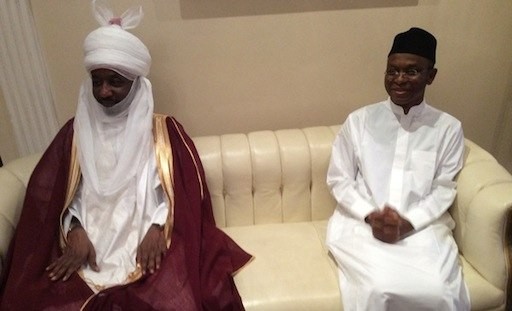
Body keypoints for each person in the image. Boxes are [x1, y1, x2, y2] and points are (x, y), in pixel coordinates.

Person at [0, 1, 251, 310]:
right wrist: (74, 230)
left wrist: (159, 229)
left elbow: (183, 198)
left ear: (135, 82)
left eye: (115, 81)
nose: (104, 91)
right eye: (97, 81)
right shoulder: (74, 134)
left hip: (148, 244)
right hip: (86, 249)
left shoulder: (164, 132)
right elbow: (57, 194)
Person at [325, 27, 470, 310]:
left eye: (411, 71)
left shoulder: (448, 128)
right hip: (362, 226)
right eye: (392, 71)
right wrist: (370, 216)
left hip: (421, 229)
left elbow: (444, 188)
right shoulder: (360, 120)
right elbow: (339, 178)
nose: (399, 80)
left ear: (431, 75)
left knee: (439, 291)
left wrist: (409, 221)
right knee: (377, 289)